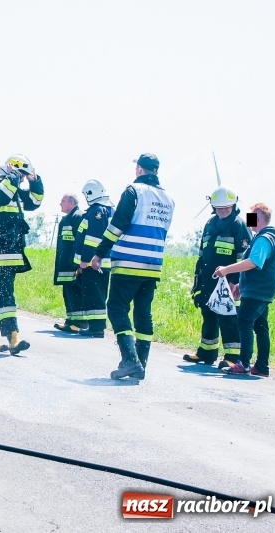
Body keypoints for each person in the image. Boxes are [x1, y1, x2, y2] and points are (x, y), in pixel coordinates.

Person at [90, 153, 175, 379]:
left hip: (129, 261)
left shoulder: (133, 191)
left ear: (139, 169)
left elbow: (116, 226)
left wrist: (99, 253)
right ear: (157, 170)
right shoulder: (168, 199)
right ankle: (140, 363)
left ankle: (129, 359)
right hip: (153, 264)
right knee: (143, 313)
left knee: (117, 308)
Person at [0, 154, 44, 354]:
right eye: (19, 175)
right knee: (5, 292)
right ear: (9, 171)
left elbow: (34, 202)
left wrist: (35, 181)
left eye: (22, 176)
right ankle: (13, 336)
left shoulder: (14, 192)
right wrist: (13, 177)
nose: (21, 178)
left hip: (12, 250)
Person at [183, 186, 252, 368]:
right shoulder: (210, 224)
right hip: (208, 279)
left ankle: (232, 356)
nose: (222, 211)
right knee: (208, 314)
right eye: (219, 208)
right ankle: (207, 351)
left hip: (228, 282)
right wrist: (198, 279)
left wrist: (235, 281)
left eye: (226, 208)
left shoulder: (239, 225)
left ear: (233, 206)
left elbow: (243, 258)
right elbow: (202, 255)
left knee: (228, 318)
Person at [216, 203, 275, 376]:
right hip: (262, 290)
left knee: (244, 322)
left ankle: (243, 363)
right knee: (260, 326)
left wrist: (226, 269)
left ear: (258, 218)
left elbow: (253, 262)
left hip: (257, 291)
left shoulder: (263, 239)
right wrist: (239, 286)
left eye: (251, 216)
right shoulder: (269, 238)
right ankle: (261, 366)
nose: (248, 220)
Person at [74, 180, 115, 338]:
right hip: (102, 262)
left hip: (94, 263)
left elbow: (93, 238)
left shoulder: (97, 211)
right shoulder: (109, 209)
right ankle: (96, 326)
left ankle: (96, 328)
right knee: (99, 293)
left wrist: (85, 259)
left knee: (94, 294)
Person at [52, 194, 84, 334]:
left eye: (63, 201)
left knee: (75, 293)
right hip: (65, 265)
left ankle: (78, 323)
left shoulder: (78, 217)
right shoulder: (67, 219)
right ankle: (70, 321)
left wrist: (77, 264)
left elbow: (79, 242)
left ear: (71, 202)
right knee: (68, 293)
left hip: (72, 265)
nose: (60, 203)